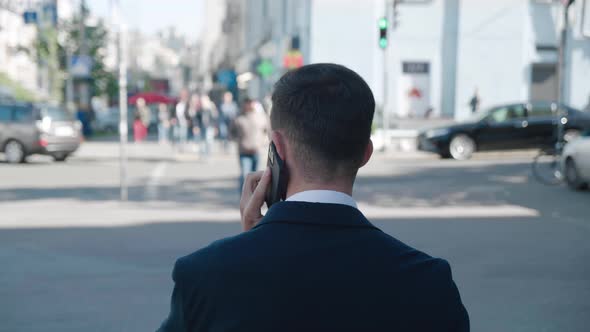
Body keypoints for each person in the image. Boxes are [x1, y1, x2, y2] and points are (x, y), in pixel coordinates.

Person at [156, 64, 469, 332]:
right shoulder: (428, 281)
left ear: (276, 148)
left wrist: (252, 245)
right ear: (366, 153)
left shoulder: (204, 275)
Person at [229, 97, 270, 191]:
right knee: (245, 175)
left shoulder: (261, 117)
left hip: (256, 150)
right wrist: (237, 140)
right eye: (247, 103)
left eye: (251, 103)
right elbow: (231, 132)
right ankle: (244, 197)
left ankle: (253, 196)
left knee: (255, 177)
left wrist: (263, 141)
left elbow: (267, 130)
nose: (249, 106)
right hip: (244, 151)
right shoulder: (239, 118)